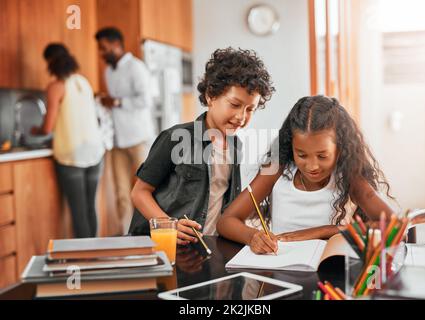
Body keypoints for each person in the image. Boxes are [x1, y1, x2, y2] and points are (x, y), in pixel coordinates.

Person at [129, 48, 275, 245]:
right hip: (167, 246)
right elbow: (139, 192)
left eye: (250, 109)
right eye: (234, 104)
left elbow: (225, 204)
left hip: (208, 247)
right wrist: (168, 224)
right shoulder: (176, 138)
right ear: (210, 96)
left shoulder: (235, 145)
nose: (241, 117)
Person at [217, 95, 395, 254]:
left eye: (322, 156)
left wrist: (324, 231)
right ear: (290, 146)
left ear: (340, 148)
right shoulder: (277, 170)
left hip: (328, 272)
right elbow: (226, 221)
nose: (312, 166)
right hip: (281, 267)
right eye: (301, 155)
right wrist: (253, 236)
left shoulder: (348, 176)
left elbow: (394, 226)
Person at [32, 43, 105, 238]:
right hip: (95, 151)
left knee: (78, 211)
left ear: (50, 63)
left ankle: (85, 260)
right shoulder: (83, 81)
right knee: (91, 207)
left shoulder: (56, 86)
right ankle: (95, 255)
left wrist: (35, 130)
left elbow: (47, 127)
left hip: (71, 155)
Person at [95, 27, 156, 234]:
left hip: (138, 138)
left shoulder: (136, 67)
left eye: (103, 48)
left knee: (147, 190)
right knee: (121, 193)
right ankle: (126, 236)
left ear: (116, 45)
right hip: (117, 140)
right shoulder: (108, 71)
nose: (101, 53)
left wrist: (117, 101)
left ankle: (153, 232)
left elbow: (146, 100)